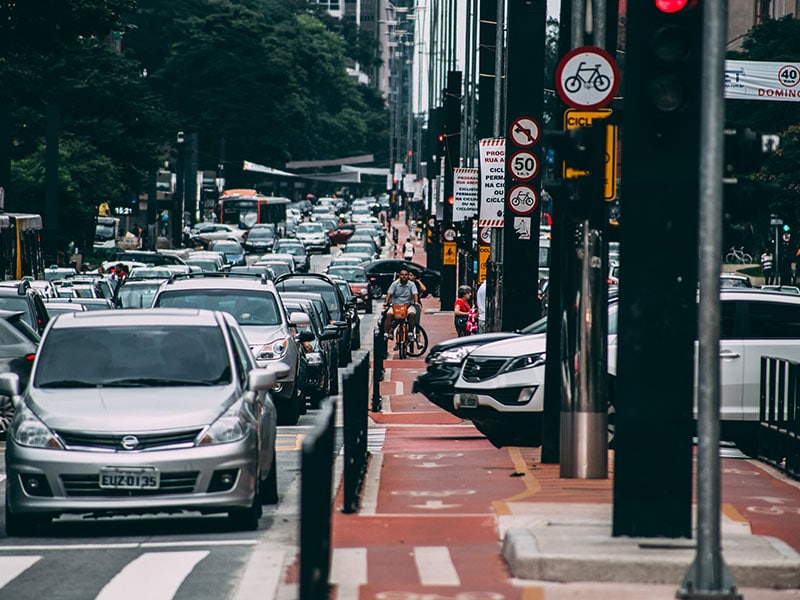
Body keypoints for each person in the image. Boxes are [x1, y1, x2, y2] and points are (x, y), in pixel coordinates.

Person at [383, 268, 419, 341]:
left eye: (406, 275)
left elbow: (415, 294)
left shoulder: (411, 284)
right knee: (389, 314)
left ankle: (410, 332)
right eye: (402, 275)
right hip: (396, 306)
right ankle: (386, 333)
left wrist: (416, 302)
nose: (404, 276)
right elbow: (389, 294)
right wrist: (386, 303)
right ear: (399, 276)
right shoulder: (394, 284)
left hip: (408, 305)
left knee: (412, 314)